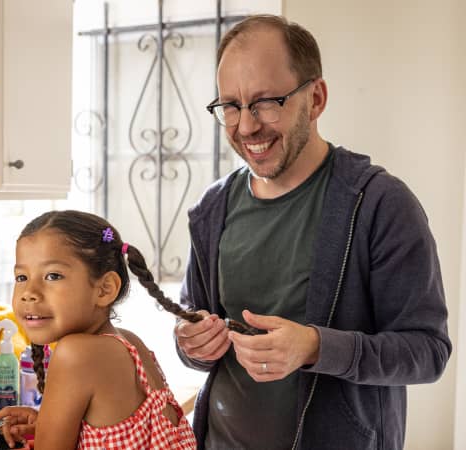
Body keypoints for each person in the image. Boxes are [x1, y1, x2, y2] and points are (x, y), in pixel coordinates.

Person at [174, 14, 451, 450]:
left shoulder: (380, 204)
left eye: (267, 102)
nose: (246, 126)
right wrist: (192, 345)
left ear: (316, 98)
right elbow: (196, 335)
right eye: (231, 105)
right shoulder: (211, 210)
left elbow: (428, 352)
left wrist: (316, 347)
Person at [0, 210, 198, 449]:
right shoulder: (130, 343)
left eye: (53, 275)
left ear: (104, 289)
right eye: (21, 277)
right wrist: (48, 424)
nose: (29, 293)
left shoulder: (76, 354)